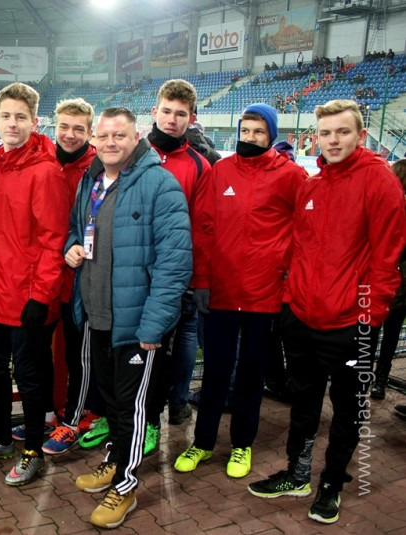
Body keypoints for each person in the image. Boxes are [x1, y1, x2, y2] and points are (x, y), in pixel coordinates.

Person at [247, 100, 406, 525]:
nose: (333, 141)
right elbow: (298, 249)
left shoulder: (380, 182)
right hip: (301, 318)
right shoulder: (312, 185)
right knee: (304, 402)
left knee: (348, 409)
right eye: (325, 133)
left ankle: (332, 482)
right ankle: (297, 474)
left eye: (342, 132)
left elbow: (386, 259)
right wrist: (290, 301)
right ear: (315, 137)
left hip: (350, 323)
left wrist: (368, 319)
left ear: (361, 135)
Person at [66, 106, 191, 528]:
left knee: (133, 408)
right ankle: (114, 461)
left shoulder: (160, 184)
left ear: (136, 137)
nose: (110, 143)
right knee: (113, 405)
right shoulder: (91, 180)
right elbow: (76, 230)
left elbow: (175, 264)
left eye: (119, 135)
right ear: (94, 140)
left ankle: (125, 485)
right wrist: (71, 248)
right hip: (97, 315)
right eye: (103, 136)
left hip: (137, 324)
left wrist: (154, 325)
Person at [173, 104, 307, 480]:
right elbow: (204, 228)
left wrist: (286, 282)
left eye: (258, 132)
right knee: (215, 371)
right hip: (221, 293)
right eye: (245, 131)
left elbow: (303, 233)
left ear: (272, 135)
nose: (249, 138)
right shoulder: (221, 171)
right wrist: (201, 281)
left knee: (251, 374)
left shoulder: (291, 176)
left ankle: (242, 444)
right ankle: (202, 441)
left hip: (264, 296)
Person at [0, 82, 68, 487]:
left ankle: (32, 451)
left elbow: (53, 240)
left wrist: (40, 296)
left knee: (30, 376)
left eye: (20, 117)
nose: (12, 123)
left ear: (34, 122)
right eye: (6, 116)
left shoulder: (46, 171)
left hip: (27, 297)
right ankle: (3, 437)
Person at [143, 80, 213, 453]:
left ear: (192, 118)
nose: (172, 120)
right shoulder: (133, 152)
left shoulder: (200, 166)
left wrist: (198, 278)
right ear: (155, 112)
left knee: (183, 337)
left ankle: (177, 402)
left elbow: (202, 227)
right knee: (144, 344)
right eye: (167, 111)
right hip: (137, 271)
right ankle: (142, 413)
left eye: (180, 114)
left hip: (177, 273)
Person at [40, 98, 104, 456]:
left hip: (80, 281)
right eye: (64, 126)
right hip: (43, 277)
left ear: (89, 132)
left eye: (78, 128)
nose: (69, 134)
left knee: (80, 355)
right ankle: (49, 413)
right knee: (43, 353)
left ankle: (76, 419)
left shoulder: (98, 168)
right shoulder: (44, 163)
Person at [371, 159, 406, 400]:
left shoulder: (391, 208)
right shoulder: (389, 206)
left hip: (390, 282)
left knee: (374, 332)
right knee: (388, 334)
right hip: (394, 282)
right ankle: (379, 380)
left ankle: (372, 380)